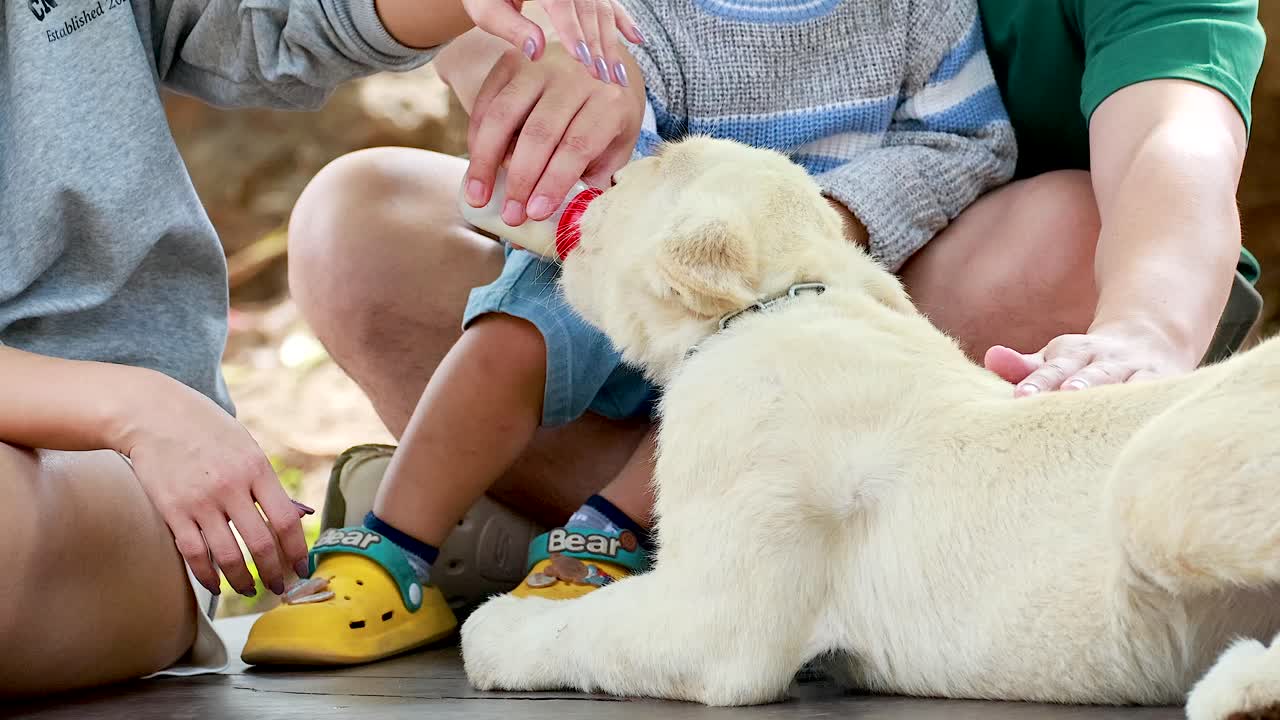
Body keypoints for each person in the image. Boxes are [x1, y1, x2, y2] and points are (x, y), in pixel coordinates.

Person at [284, 0, 1266, 641]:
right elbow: (464, 29)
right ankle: (701, 551)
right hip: (655, 258)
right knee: (361, 221)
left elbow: (1172, 143)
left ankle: (554, 529)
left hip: (919, 322)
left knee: (1069, 231)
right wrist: (540, 50)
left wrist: (1140, 329)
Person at [0, 0, 640, 698]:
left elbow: (261, 20)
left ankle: (621, 532)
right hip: (102, 437)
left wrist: (483, 13)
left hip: (108, 479)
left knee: (360, 221)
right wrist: (130, 407)